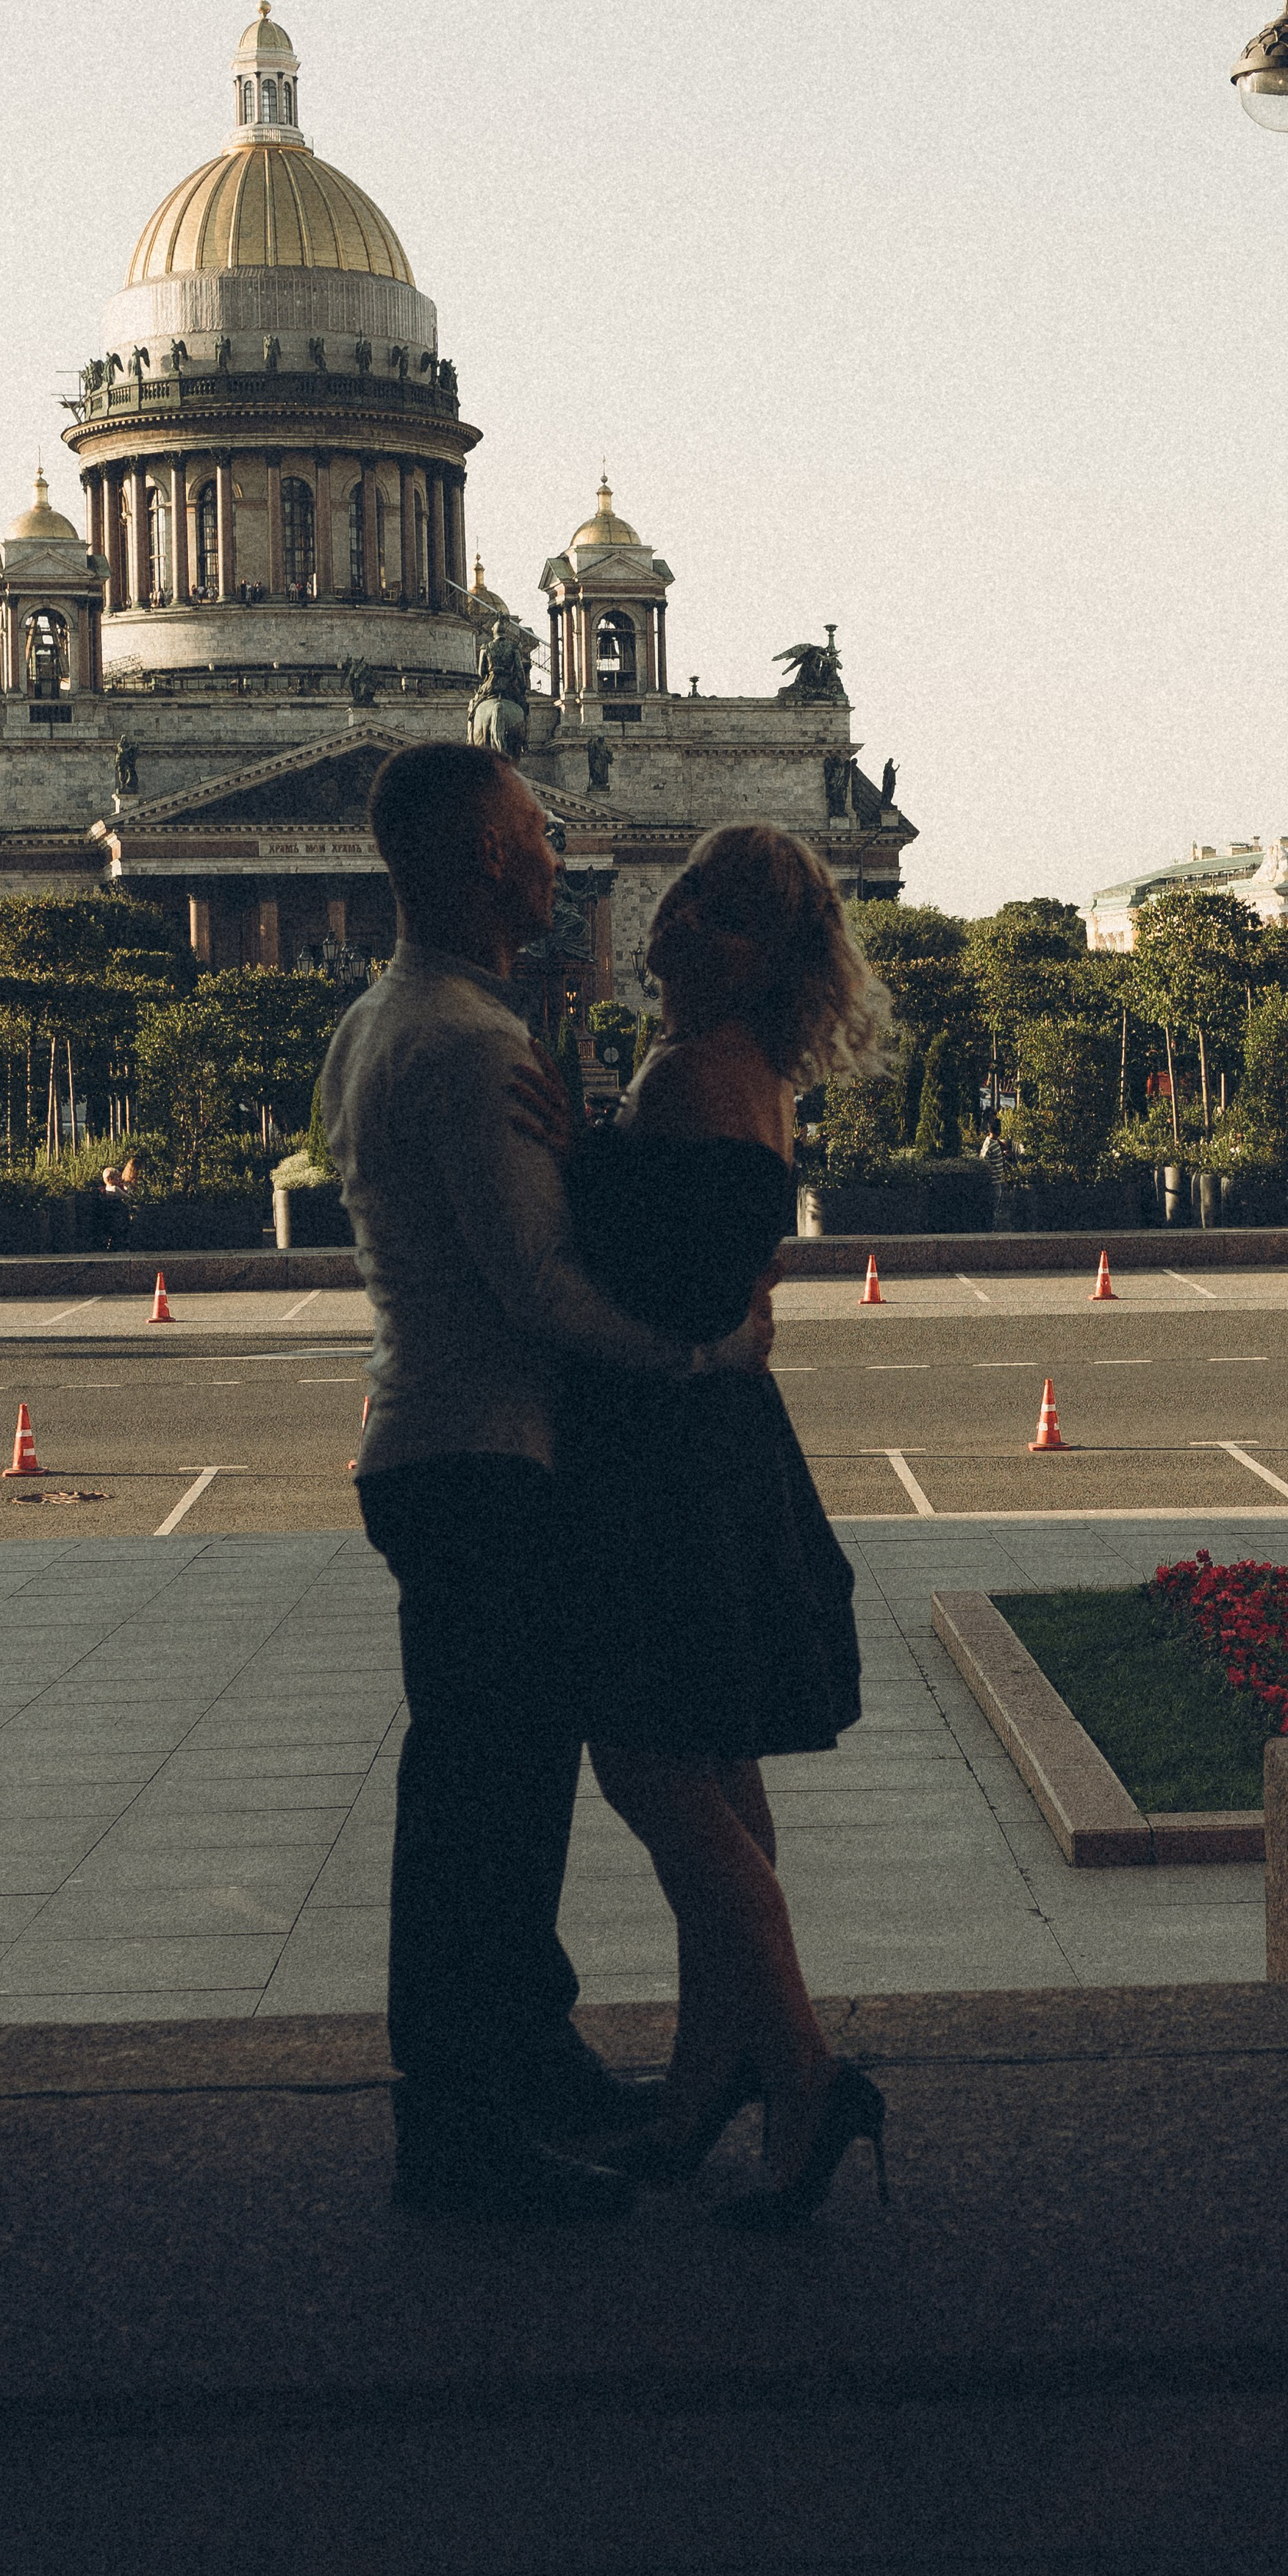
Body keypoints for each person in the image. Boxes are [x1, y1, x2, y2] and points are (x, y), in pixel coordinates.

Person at [320, 742, 765, 2225]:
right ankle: (455, 2131)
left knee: (501, 1791)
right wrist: (703, 1356)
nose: (556, 855)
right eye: (529, 838)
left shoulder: (396, 1018)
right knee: (482, 1812)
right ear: (478, 863)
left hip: (436, 1443)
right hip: (482, 1455)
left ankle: (525, 2055)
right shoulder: (465, 1040)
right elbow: (539, 1292)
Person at [509, 826, 893, 2228]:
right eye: (682, 909)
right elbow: (728, 1276)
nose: (668, 930)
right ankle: (704, 2077)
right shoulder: (757, 1076)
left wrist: (574, 1158)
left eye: (697, 919)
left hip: (663, 1461)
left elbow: (667, 1289)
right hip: (721, 1452)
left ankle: (798, 2068)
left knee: (654, 1768)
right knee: (718, 1770)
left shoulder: (685, 1077)